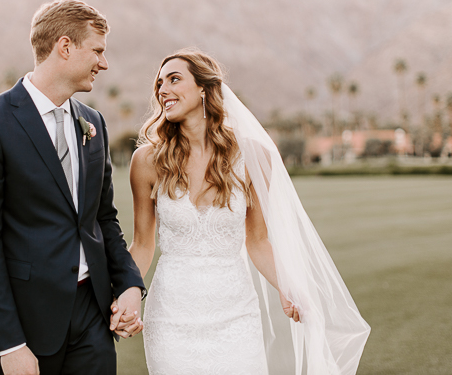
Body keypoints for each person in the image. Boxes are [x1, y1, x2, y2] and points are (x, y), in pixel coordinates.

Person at [124, 49, 370, 374]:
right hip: (171, 315)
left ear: (203, 88)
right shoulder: (147, 161)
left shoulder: (253, 157)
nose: (162, 90)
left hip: (235, 315)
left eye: (173, 79)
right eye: (159, 83)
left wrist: (290, 287)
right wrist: (124, 294)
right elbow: (142, 244)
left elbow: (258, 241)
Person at [0, 0, 146, 375]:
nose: (103, 63)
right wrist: (9, 343)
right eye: (97, 50)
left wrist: (128, 284)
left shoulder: (93, 123)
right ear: (64, 47)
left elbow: (103, 219)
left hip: (92, 317)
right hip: (26, 322)